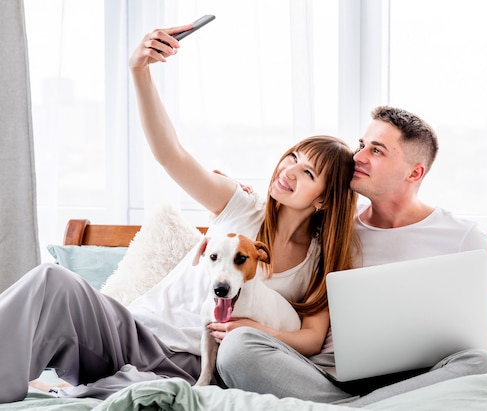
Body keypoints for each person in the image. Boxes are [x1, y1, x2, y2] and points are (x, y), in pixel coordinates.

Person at [0, 25, 357, 404]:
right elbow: (171, 154)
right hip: (132, 330)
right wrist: (140, 71)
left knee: (124, 396)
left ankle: (71, 392)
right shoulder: (239, 204)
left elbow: (312, 338)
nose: (289, 171)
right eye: (293, 157)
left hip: (192, 363)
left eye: (308, 173)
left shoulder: (320, 260)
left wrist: (252, 330)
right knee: (50, 281)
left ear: (324, 200)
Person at [216, 106, 487, 406]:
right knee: (236, 349)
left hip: (417, 381)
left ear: (415, 172)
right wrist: (241, 194)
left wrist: (441, 343)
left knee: (483, 364)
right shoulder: (334, 228)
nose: (357, 157)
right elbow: (286, 207)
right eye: (362, 145)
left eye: (377, 151)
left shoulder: (464, 237)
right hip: (324, 376)